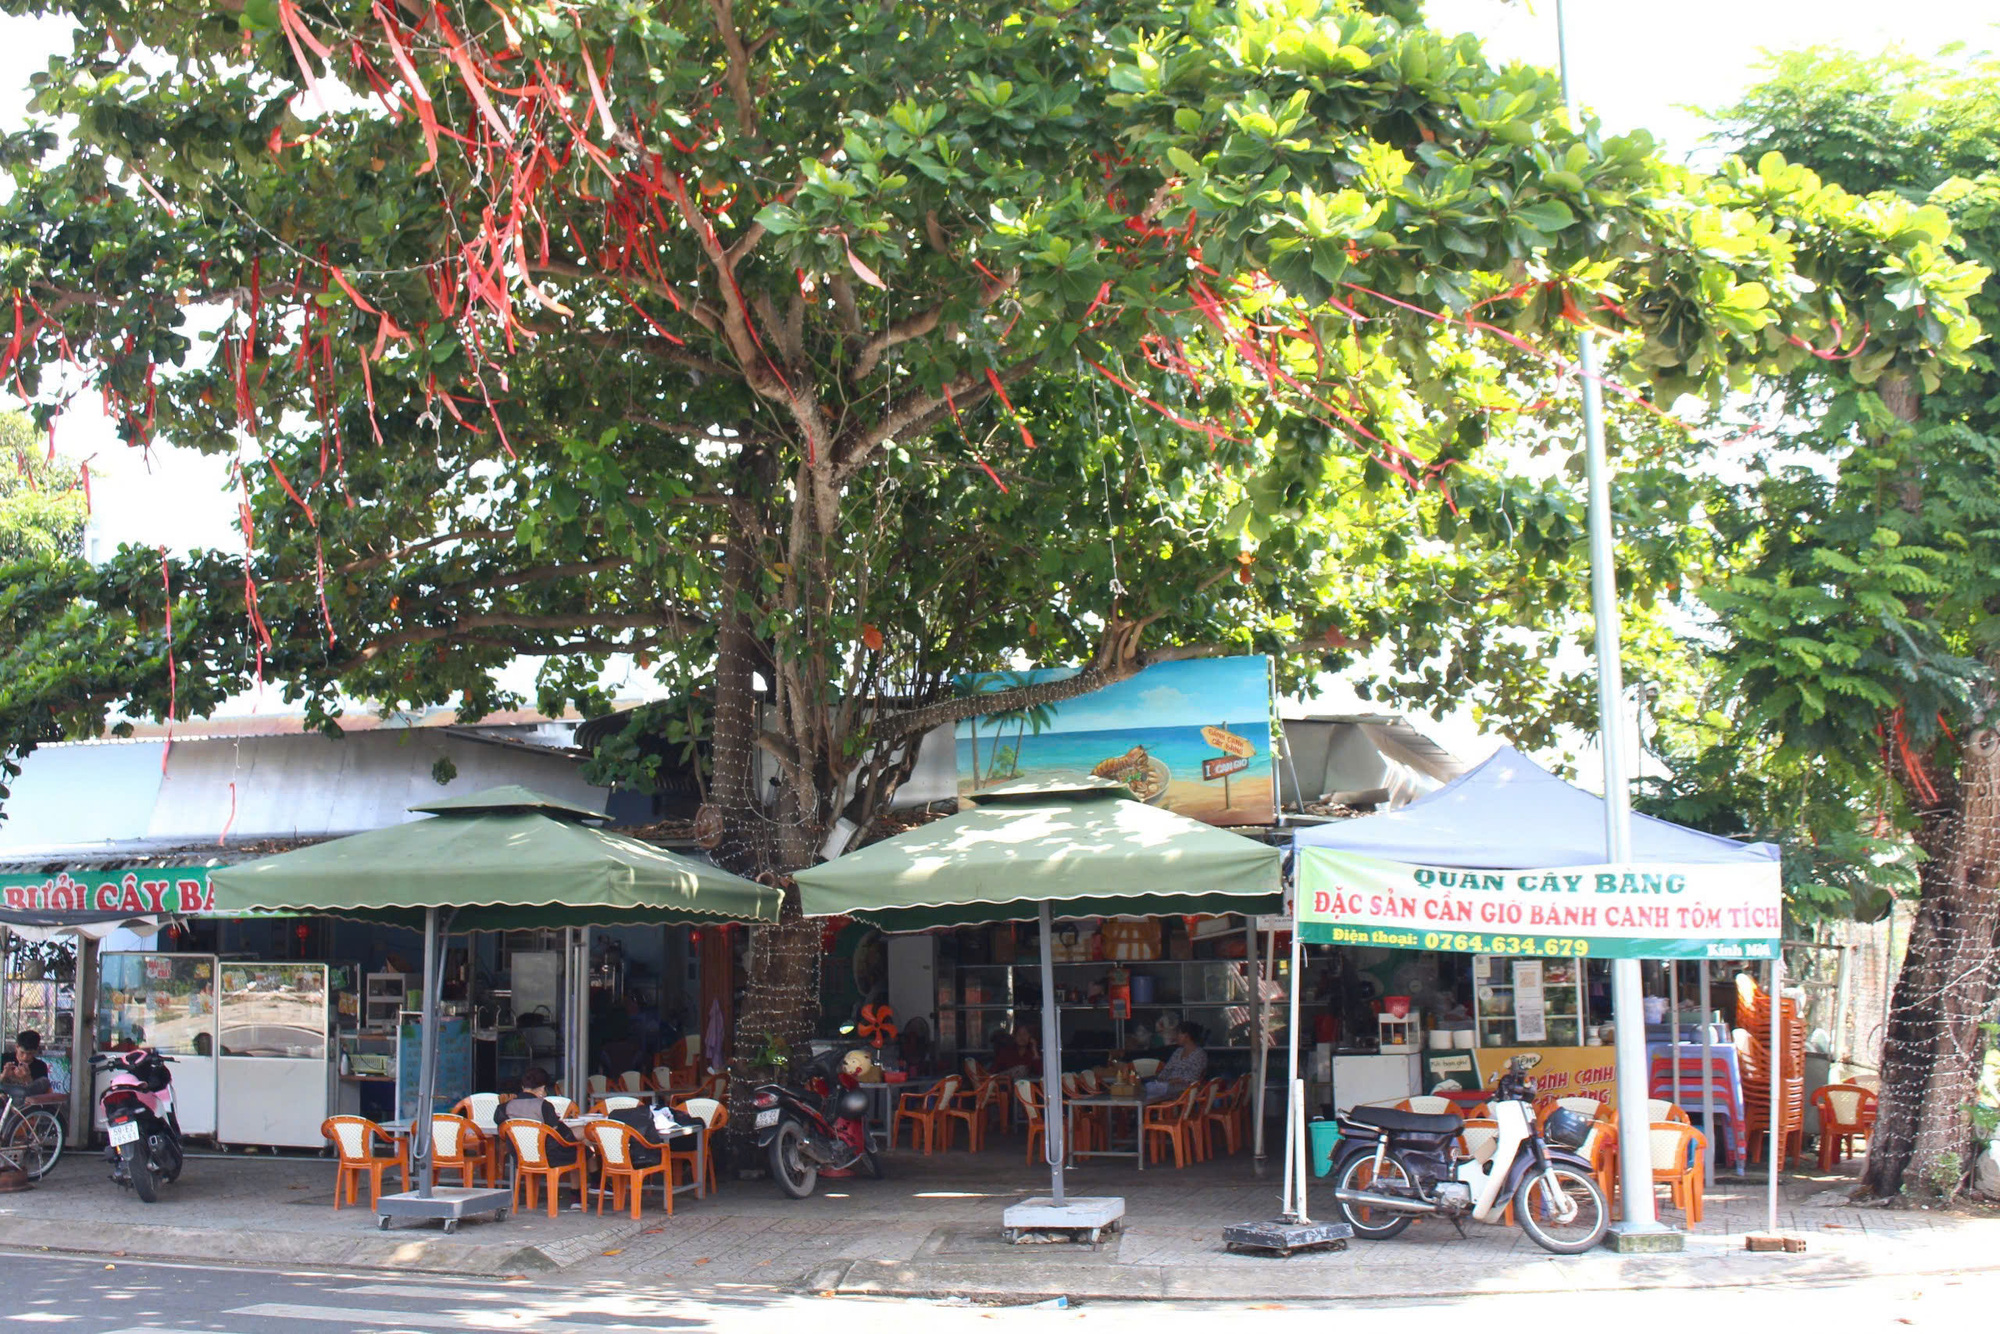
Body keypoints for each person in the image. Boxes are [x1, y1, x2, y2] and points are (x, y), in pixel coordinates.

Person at [502, 1066, 581, 1168]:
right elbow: (557, 1131)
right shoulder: (544, 1105)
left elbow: (502, 1128)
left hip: (519, 1155)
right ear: (542, 1089)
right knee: (582, 1149)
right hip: (548, 1155)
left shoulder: (505, 1107)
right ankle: (592, 1180)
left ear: (523, 1087)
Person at [1143, 1022, 1207, 1101]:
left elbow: (1192, 1077)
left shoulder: (1199, 1054)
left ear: (1187, 1036)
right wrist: (1162, 1079)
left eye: (1179, 1034)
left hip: (1185, 1089)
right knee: (1146, 1088)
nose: (1176, 1037)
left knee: (1149, 1092)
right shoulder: (1178, 1052)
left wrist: (1171, 1081)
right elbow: (1167, 1069)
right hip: (1168, 1086)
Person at [0, 1032, 49, 1098]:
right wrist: (3, 1076)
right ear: (16, 1047)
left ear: (36, 1050)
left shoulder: (40, 1066)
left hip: (25, 1103)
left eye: (29, 1053)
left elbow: (41, 1092)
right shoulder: (3, 1059)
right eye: (22, 1052)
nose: (25, 1057)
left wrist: (27, 1079)